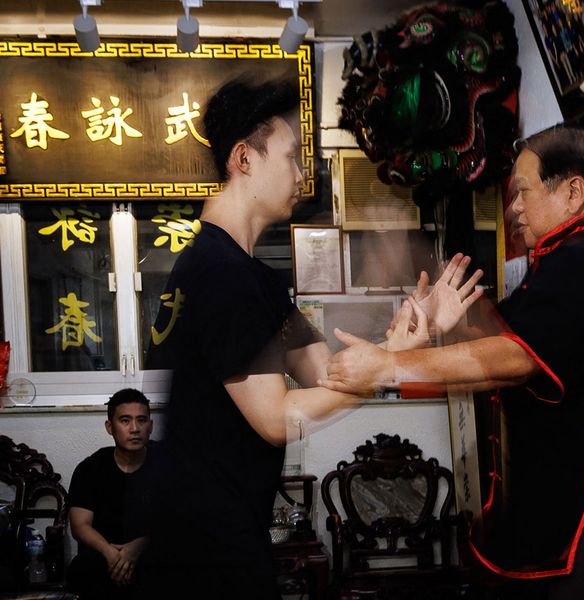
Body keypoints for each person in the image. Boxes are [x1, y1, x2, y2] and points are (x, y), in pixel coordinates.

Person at [322, 127, 584, 599]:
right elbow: (511, 352)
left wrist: (388, 367)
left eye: (522, 191)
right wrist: (432, 335)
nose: (513, 207)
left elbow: (516, 358)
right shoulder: (569, 262)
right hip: (581, 502)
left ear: (573, 191)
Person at [139, 75, 459, 600]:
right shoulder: (221, 272)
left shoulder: (254, 277)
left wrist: (403, 342)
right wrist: (387, 363)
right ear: (244, 159)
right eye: (289, 156)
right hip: (200, 554)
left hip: (229, 535)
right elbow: (275, 418)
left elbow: (326, 375)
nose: (301, 172)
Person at [67, 388, 155, 600]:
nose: (134, 429)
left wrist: (138, 547)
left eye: (141, 420)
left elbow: (181, 520)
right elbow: (80, 525)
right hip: (102, 557)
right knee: (83, 568)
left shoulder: (168, 464)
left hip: (152, 553)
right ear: (110, 427)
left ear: (150, 426)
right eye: (125, 420)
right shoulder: (90, 468)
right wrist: (111, 554)